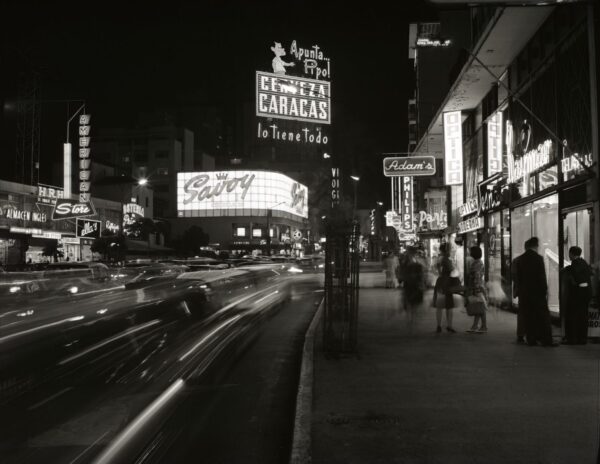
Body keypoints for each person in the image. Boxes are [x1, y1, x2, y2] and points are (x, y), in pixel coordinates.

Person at [515, 237, 557, 347]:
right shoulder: (538, 259)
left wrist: (519, 291)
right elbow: (541, 277)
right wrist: (545, 291)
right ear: (535, 246)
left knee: (529, 317)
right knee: (543, 317)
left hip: (525, 294)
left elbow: (518, 277)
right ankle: (546, 340)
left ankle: (531, 339)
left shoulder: (520, 259)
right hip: (537, 293)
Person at [561, 246, 592, 345]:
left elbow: (575, 275)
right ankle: (582, 338)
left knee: (572, 316)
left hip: (577, 294)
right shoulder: (584, 262)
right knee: (582, 316)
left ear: (571, 253)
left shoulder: (575, 263)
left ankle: (572, 338)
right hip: (585, 293)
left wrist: (567, 271)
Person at [433, 243, 456, 333]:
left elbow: (436, 270)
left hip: (440, 282)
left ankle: (439, 326)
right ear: (447, 250)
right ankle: (449, 325)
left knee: (440, 305)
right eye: (450, 249)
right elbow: (451, 270)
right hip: (447, 283)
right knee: (449, 306)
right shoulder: (447, 260)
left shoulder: (438, 259)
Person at [465, 246, 488, 333]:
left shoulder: (477, 263)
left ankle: (483, 326)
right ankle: (476, 326)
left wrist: (475, 288)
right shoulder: (478, 262)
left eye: (470, 251)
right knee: (478, 306)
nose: (469, 252)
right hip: (478, 286)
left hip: (477, 287)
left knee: (480, 307)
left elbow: (476, 277)